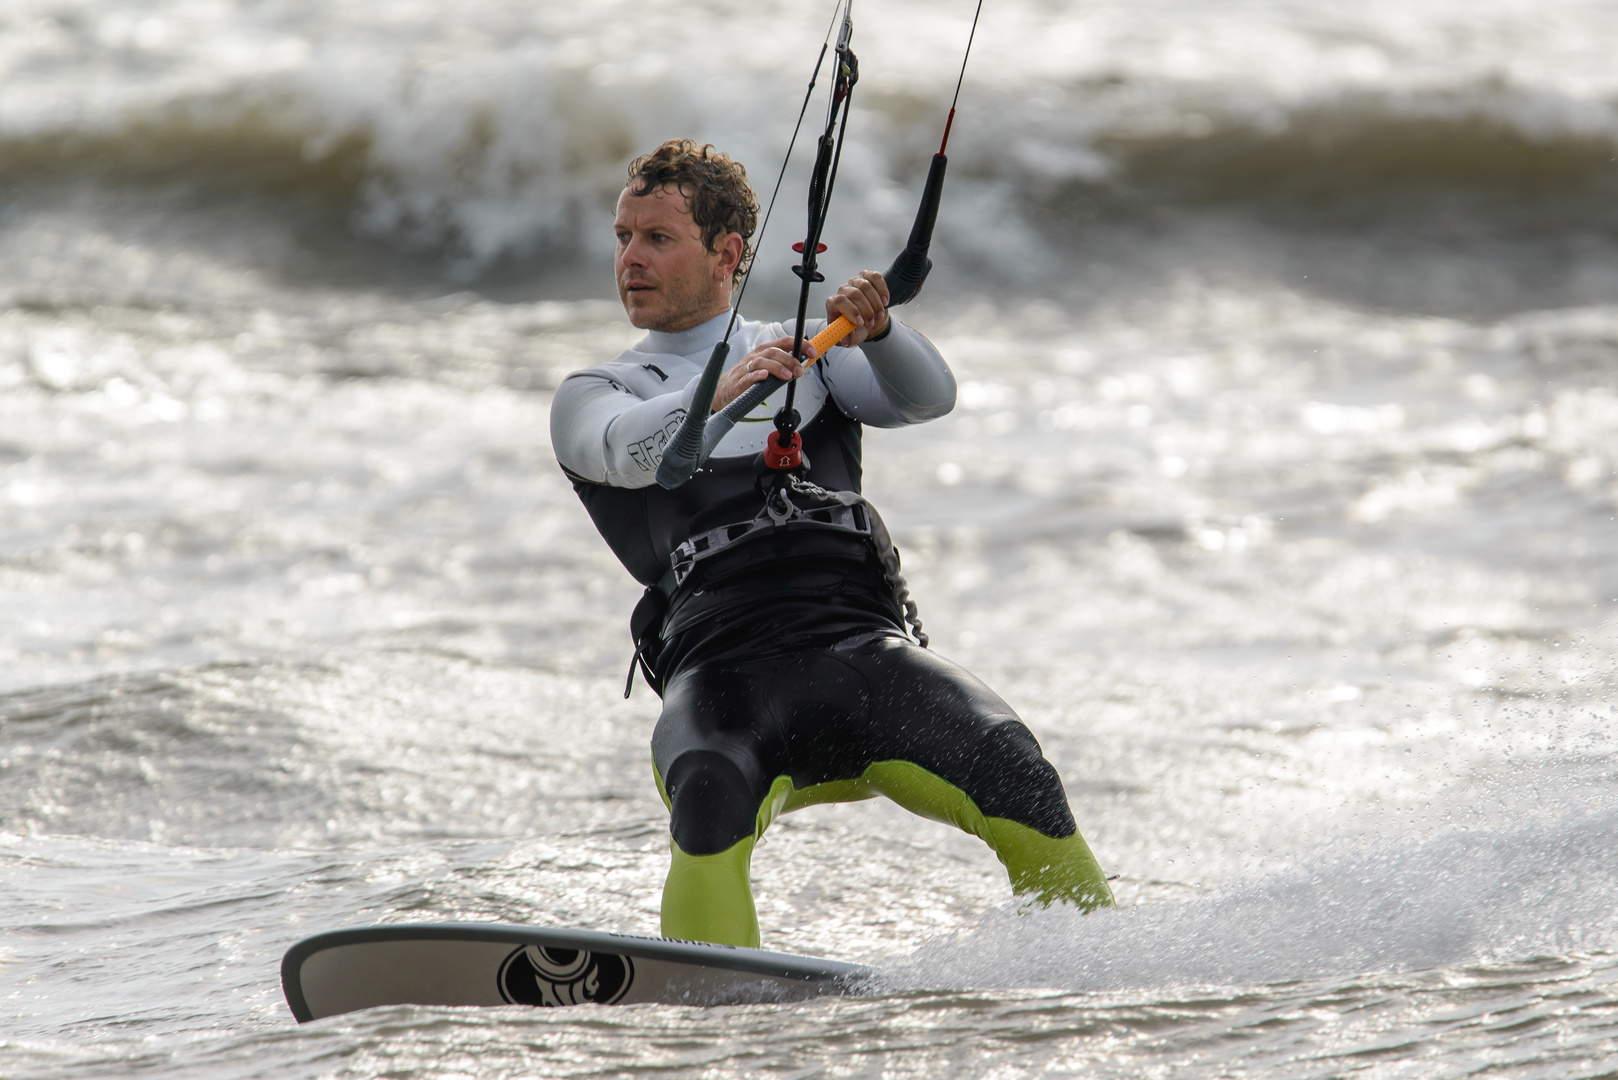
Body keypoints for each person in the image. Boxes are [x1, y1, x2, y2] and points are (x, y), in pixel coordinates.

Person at [550, 139, 1113, 948]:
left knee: (1016, 768)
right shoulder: (598, 392)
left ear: (727, 254)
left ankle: (1097, 967)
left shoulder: (810, 351)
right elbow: (634, 452)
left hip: (861, 651)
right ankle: (708, 1021)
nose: (629, 258)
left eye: (657, 238)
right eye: (622, 236)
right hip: (725, 685)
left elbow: (928, 399)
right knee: (707, 794)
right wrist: (727, 390)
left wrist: (878, 331)